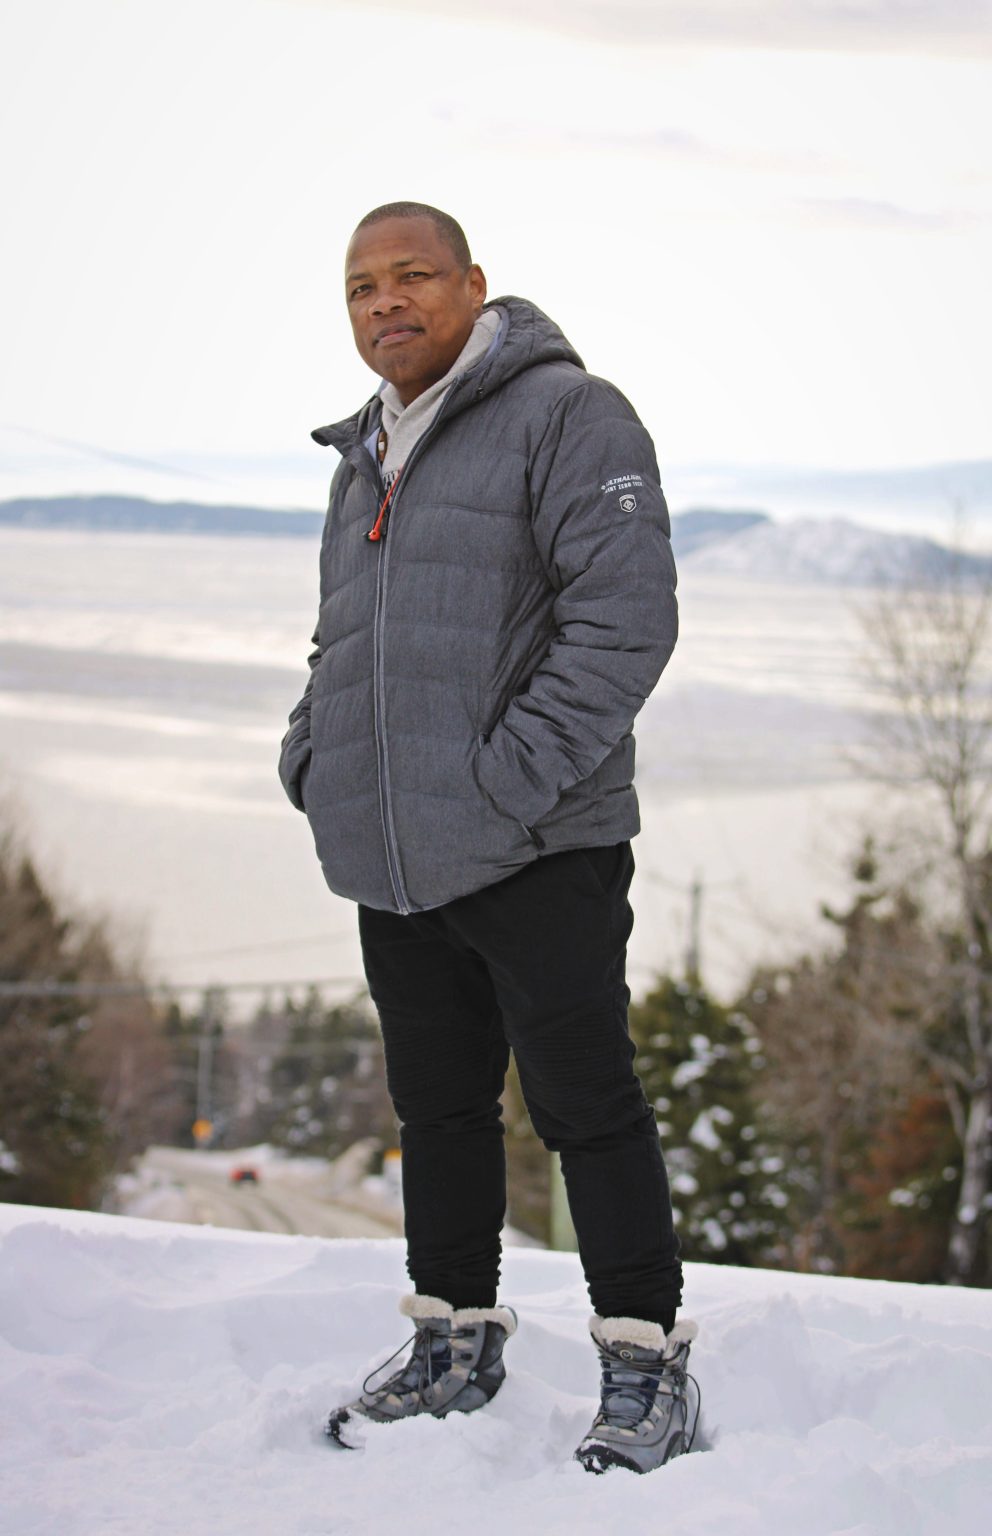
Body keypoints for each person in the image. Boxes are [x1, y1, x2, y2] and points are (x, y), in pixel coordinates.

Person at [278, 201, 698, 1475]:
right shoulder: (365, 451)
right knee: (439, 1108)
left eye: (412, 274)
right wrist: (314, 760)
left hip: (537, 844)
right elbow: (341, 638)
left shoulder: (569, 415)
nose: (384, 301)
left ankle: (643, 1359)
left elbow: (625, 619)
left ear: (473, 285)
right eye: (360, 285)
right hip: (397, 854)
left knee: (585, 1106)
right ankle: (452, 1338)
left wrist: (505, 782)